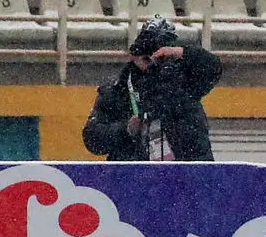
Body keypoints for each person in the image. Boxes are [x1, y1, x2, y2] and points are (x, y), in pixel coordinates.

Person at [83, 17, 222, 161]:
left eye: (161, 58)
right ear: (133, 57)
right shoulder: (116, 90)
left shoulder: (184, 82)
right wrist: (126, 129)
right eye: (146, 59)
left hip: (185, 174)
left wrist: (182, 53)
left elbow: (214, 68)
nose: (153, 65)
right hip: (134, 176)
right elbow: (92, 139)